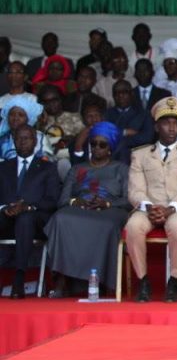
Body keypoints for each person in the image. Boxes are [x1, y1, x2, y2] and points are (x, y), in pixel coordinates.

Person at [125, 97, 177, 302]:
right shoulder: (140, 154)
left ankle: (174, 281)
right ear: (156, 126)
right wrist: (150, 207)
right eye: (167, 123)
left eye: (176, 123)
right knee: (133, 226)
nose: (172, 128)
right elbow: (135, 190)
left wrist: (169, 209)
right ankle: (143, 281)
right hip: (149, 207)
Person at [44, 121, 131, 297]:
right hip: (80, 206)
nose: (96, 148)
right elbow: (63, 200)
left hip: (110, 209)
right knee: (60, 218)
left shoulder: (122, 169)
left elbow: (130, 200)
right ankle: (62, 279)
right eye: (93, 144)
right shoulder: (77, 168)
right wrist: (76, 201)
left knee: (107, 225)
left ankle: (101, 281)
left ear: (110, 148)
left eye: (102, 144)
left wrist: (107, 204)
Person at [0, 125, 59, 298]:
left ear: (35, 141)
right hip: (7, 217)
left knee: (25, 218)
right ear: (13, 141)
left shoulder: (48, 168)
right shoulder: (3, 168)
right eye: (19, 138)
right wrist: (5, 208)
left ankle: (19, 279)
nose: (23, 142)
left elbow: (52, 200)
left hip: (35, 220)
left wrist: (27, 206)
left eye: (27, 138)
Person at [103, 79, 154, 156]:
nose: (120, 96)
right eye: (117, 93)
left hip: (138, 156)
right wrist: (125, 132)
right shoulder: (107, 114)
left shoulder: (144, 114)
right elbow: (104, 136)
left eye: (124, 92)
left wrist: (118, 136)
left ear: (132, 94)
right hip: (112, 158)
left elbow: (147, 138)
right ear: (113, 96)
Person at [0, 95, 47, 159]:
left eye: (21, 115)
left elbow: (48, 162)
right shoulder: (2, 139)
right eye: (12, 114)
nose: (16, 118)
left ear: (28, 119)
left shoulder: (40, 137)